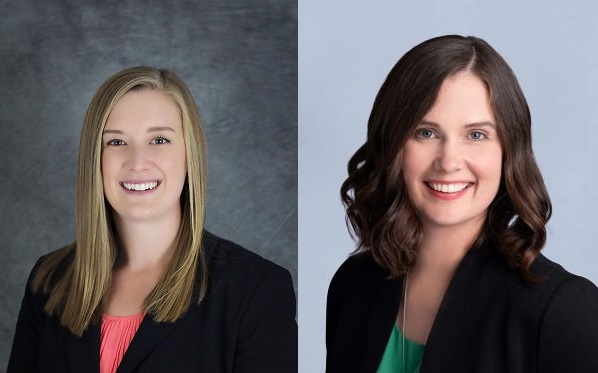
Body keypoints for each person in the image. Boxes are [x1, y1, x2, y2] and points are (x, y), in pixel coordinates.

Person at [326, 35, 598, 373]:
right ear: (393, 144)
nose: (449, 161)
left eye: (476, 135)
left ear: (508, 152)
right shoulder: (353, 285)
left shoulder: (562, 309)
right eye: (426, 132)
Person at [8, 66, 297, 373]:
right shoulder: (50, 281)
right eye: (116, 142)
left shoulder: (255, 290)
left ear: (191, 152)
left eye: (159, 140)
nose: (137, 162)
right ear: (94, 158)